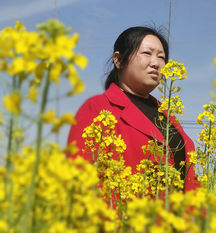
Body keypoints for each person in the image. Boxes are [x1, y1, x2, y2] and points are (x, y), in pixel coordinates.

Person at [67, 26, 200, 194]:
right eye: (147, 53)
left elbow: (190, 181)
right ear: (119, 60)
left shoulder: (166, 115)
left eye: (161, 57)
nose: (155, 63)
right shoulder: (98, 108)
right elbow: (80, 181)